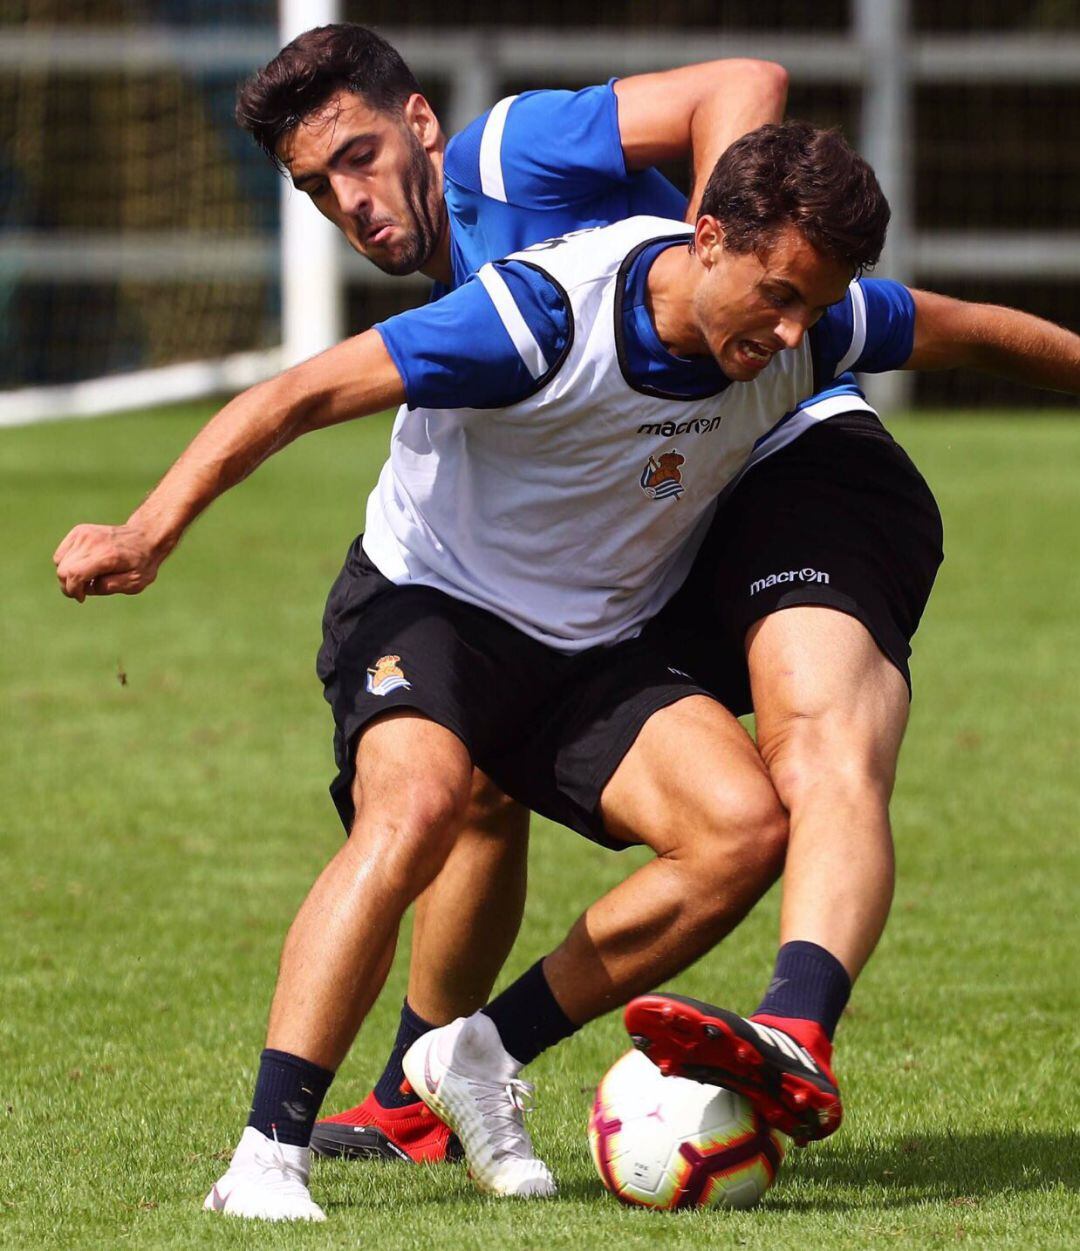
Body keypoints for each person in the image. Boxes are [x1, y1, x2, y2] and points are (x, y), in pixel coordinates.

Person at [55, 123, 1079, 1216]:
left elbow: (974, 335)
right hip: (431, 605)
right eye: (777, 294)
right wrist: (149, 531)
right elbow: (298, 395)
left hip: (591, 647)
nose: (793, 330)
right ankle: (267, 1154)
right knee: (419, 808)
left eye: (814, 307)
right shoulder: (537, 317)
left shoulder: (809, 329)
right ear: (708, 233)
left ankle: (481, 1055)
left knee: (744, 829)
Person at [230, 22, 789, 1165]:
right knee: (464, 791)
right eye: (315, 187)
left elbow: (745, 80)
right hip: (574, 555)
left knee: (793, 780)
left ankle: (804, 1011)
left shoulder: (508, 153)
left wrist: (725, 252)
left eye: (357, 157)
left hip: (760, 467)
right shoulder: (463, 267)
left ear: (420, 124)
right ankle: (414, 1095)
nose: (349, 202)